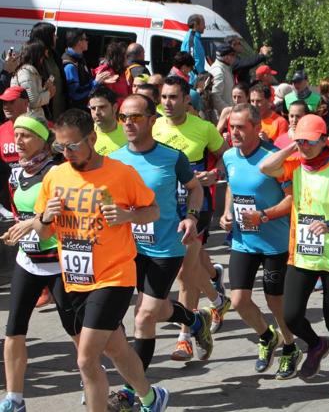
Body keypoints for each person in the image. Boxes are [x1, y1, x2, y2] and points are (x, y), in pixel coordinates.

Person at [32, 108, 169, 412]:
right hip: (76, 279)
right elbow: (42, 233)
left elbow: (153, 211)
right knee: (115, 347)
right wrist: (45, 216)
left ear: (91, 138)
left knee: (86, 358)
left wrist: (128, 216)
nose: (66, 153)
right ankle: (150, 397)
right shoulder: (55, 176)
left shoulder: (120, 174)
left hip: (114, 275)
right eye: (60, 147)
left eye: (72, 145)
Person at [107, 94, 213, 411]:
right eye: (124, 116)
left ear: (152, 120)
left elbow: (195, 188)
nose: (128, 123)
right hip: (126, 249)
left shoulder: (172, 157)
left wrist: (192, 218)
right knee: (160, 309)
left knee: (145, 316)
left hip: (164, 247)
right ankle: (195, 321)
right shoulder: (113, 159)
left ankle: (131, 390)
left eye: (136, 117)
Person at [260, 114, 329, 396]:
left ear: (325, 141)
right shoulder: (294, 164)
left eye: (309, 142)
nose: (304, 146)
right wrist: (292, 146)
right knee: (290, 316)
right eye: (300, 140)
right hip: (302, 253)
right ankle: (316, 344)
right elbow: (265, 167)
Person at [0, 114, 78, 412]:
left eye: (26, 136)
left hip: (59, 262)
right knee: (14, 329)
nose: (18, 142)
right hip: (29, 261)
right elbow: (19, 213)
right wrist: (16, 230)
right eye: (16, 135)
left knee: (76, 330)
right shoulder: (16, 174)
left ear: (43, 140)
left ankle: (92, 379)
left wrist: (32, 223)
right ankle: (14, 398)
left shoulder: (57, 172)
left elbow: (64, 214)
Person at [219, 103, 301, 378]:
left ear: (257, 128)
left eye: (241, 127)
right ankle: (267, 336)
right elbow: (232, 184)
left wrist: (264, 216)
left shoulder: (274, 158)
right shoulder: (230, 156)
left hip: (275, 242)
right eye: (232, 127)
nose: (235, 132)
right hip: (243, 240)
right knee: (239, 300)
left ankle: (290, 346)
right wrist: (226, 213)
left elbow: (293, 199)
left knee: (276, 301)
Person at [152, 76, 230, 360]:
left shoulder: (204, 128)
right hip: (161, 210)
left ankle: (184, 336)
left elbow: (226, 155)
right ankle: (218, 297)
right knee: (195, 265)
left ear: (187, 99)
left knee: (186, 271)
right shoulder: (154, 126)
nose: (168, 103)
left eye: (173, 97)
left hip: (194, 207)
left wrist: (215, 174)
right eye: (163, 98)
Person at [62, 29, 109, 110]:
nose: (88, 42)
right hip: (76, 111)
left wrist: (99, 78)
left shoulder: (79, 58)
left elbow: (85, 80)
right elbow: (76, 93)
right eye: (86, 39)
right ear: (79, 42)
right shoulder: (70, 65)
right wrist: (95, 83)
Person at [0, 87, 30, 210]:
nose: (6, 106)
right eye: (4, 102)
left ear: (25, 103)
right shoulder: (1, 130)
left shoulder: (44, 127)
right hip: (9, 202)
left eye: (11, 102)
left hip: (35, 199)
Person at [30, 22, 66, 119]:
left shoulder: (54, 55)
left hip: (58, 110)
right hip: (43, 112)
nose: (56, 37)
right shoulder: (34, 58)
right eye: (53, 35)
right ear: (46, 37)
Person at [11, 40, 54, 117]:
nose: (42, 59)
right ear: (37, 56)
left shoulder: (30, 71)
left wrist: (45, 88)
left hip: (31, 116)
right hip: (28, 118)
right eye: (42, 56)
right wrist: (49, 93)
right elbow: (32, 102)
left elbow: (33, 94)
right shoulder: (25, 73)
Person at [88, 86, 126, 156]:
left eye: (102, 107)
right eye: (93, 108)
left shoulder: (129, 134)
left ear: (115, 107)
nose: (97, 112)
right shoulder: (84, 137)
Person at [209, 44, 237, 115]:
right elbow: (215, 96)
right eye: (233, 55)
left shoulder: (225, 68)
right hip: (222, 116)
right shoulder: (219, 71)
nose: (235, 57)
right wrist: (229, 110)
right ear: (226, 57)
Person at [180, 14, 206, 82]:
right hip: (192, 80)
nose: (205, 27)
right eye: (203, 24)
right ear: (195, 25)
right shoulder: (192, 39)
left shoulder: (195, 38)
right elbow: (192, 61)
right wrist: (201, 76)